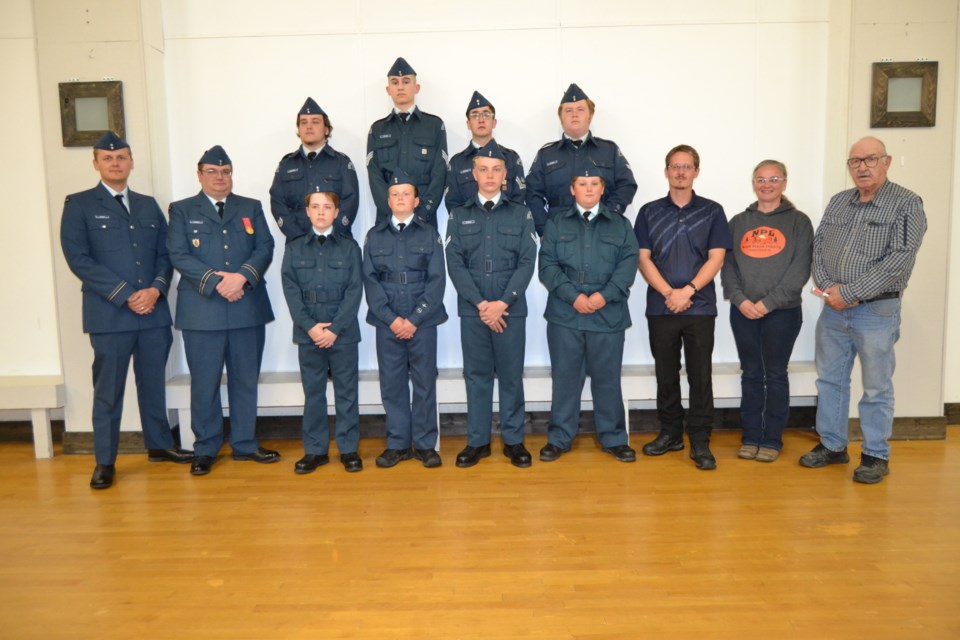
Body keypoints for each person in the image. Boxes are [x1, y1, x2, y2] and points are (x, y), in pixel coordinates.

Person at [60, 131, 193, 489]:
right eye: (107, 158)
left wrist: (156, 289)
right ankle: (105, 460)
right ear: (96, 164)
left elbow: (165, 255)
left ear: (131, 162)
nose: (115, 163)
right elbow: (79, 259)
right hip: (110, 314)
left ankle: (160, 445)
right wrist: (125, 294)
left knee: (153, 384)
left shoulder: (149, 205)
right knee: (109, 391)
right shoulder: (79, 204)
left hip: (152, 312)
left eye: (121, 158)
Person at [799, 136, 927, 484]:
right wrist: (829, 291)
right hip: (833, 310)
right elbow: (819, 248)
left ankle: (875, 454)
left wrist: (851, 293)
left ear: (886, 162)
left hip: (877, 310)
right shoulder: (839, 202)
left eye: (870, 159)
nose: (862, 167)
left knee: (876, 386)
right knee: (830, 380)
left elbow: (899, 260)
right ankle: (833, 445)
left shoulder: (906, 204)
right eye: (855, 161)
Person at [167, 145, 278, 476]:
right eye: (213, 172)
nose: (220, 177)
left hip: (246, 306)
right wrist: (217, 282)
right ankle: (206, 448)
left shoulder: (250, 207)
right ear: (199, 175)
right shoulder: (182, 210)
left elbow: (265, 247)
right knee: (204, 381)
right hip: (203, 309)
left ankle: (245, 444)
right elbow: (177, 253)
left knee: (245, 379)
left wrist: (242, 277)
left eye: (226, 171)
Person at [634, 144, 732, 471]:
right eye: (675, 166)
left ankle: (701, 440)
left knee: (700, 376)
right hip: (661, 307)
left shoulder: (713, 211)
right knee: (666, 374)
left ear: (696, 172)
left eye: (686, 167)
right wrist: (669, 292)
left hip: (700, 308)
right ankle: (671, 433)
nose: (680, 172)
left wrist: (687, 290)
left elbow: (717, 257)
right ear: (666, 171)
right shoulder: (648, 212)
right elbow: (642, 258)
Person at [445, 141, 537, 468]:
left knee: (512, 376)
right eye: (483, 169)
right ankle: (478, 442)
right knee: (477, 376)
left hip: (510, 309)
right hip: (474, 310)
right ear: (473, 174)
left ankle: (514, 442)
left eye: (496, 169)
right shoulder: (458, 216)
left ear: (505, 175)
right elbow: (454, 263)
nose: (489, 175)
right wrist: (482, 304)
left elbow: (527, 262)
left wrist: (502, 303)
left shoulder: (521, 214)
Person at [538, 167, 639, 463]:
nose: (589, 188)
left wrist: (600, 297)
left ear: (603, 188)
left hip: (607, 314)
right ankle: (559, 438)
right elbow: (548, 267)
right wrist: (575, 297)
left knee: (607, 380)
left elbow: (627, 266)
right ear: (572, 189)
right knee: (565, 379)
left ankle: (614, 438)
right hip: (566, 315)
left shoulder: (620, 225)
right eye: (582, 183)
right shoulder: (556, 224)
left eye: (594, 183)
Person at [720, 160, 813, 463]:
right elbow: (728, 267)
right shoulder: (738, 222)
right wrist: (740, 300)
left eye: (774, 178)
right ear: (753, 183)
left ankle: (771, 439)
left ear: (784, 183)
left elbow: (799, 271)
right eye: (761, 179)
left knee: (775, 375)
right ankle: (750, 437)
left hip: (782, 313)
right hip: (743, 311)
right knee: (750, 373)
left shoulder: (799, 222)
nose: (767, 184)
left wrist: (767, 303)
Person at [362, 173, 448, 468]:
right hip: (387, 322)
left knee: (425, 383)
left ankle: (425, 444)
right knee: (392, 384)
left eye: (406, 194)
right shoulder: (375, 236)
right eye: (395, 194)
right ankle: (397, 444)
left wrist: (414, 319)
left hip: (423, 321)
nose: (400, 199)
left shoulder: (430, 234)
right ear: (387, 201)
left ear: (416, 200)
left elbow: (437, 281)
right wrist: (391, 319)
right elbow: (370, 281)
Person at [281, 190, 363, 474]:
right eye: (315, 207)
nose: (320, 212)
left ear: (336, 212)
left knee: (347, 392)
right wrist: (311, 328)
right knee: (313, 393)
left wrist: (335, 329)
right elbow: (291, 291)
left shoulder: (350, 248)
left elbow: (355, 291)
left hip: (343, 332)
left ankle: (349, 449)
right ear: (306, 212)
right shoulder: (294, 248)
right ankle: (315, 451)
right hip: (310, 332)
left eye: (327, 207)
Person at [525, 83, 637, 237]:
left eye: (580, 109)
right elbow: (532, 193)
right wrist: (544, 230)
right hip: (559, 235)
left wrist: (609, 215)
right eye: (568, 110)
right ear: (561, 118)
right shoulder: (546, 155)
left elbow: (627, 185)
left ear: (590, 115)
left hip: (602, 233)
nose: (574, 114)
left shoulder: (609, 150)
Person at [366, 57, 447, 228]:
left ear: (416, 88)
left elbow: (439, 173)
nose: (400, 87)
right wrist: (392, 213)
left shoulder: (434, 126)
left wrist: (424, 212)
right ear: (388, 90)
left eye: (406, 81)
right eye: (395, 82)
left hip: (424, 219)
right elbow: (375, 176)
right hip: (387, 221)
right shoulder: (377, 130)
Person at [269, 98, 360, 241]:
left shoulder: (341, 162)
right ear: (298, 129)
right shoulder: (286, 165)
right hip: (297, 246)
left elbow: (350, 202)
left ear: (326, 129)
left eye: (315, 121)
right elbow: (277, 203)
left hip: (337, 244)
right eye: (303, 122)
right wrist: (299, 238)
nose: (308, 126)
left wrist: (329, 235)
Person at [444, 90, 526, 213]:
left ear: (494, 122)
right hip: (469, 230)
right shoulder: (457, 163)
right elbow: (452, 204)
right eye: (475, 115)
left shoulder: (511, 158)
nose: (481, 120)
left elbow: (518, 200)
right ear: (468, 124)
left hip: (506, 229)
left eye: (486, 115)